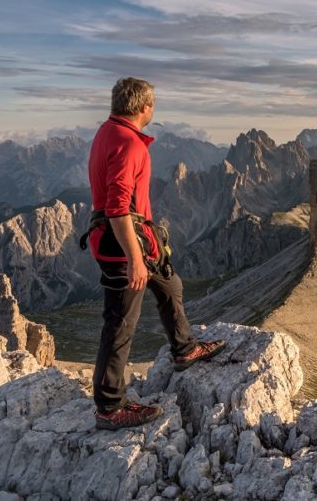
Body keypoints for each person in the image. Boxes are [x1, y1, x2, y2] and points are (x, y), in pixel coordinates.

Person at [85, 77, 224, 430]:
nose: (155, 107)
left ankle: (184, 348)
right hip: (123, 245)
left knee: (170, 286)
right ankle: (110, 408)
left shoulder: (106, 132)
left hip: (137, 239)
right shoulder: (131, 145)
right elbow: (117, 207)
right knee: (119, 324)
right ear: (144, 106)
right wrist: (134, 259)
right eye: (154, 102)